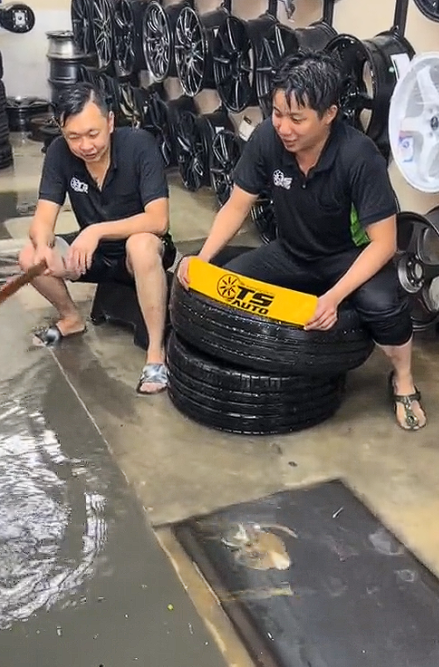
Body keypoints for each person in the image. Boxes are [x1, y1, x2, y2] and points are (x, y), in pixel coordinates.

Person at [177, 50, 426, 431]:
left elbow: (384, 244)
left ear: (329, 114)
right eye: (278, 114)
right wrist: (204, 258)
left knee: (384, 306)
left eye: (297, 118)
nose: (284, 128)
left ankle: (404, 380)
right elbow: (236, 206)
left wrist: (333, 297)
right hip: (290, 254)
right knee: (219, 290)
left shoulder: (359, 156)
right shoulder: (266, 139)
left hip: (347, 257)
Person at [19, 82, 176, 394]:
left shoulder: (140, 146)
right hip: (92, 254)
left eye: (93, 134)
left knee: (141, 245)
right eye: (74, 136)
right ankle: (70, 318)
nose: (85, 145)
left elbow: (158, 220)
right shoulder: (59, 154)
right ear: (62, 131)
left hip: (139, 251)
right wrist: (42, 244)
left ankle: (156, 355)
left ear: (111, 122)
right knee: (28, 258)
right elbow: (43, 219)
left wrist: (96, 230)